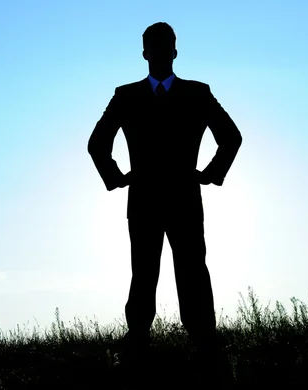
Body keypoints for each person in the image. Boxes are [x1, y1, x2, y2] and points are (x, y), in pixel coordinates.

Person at [87, 21, 242, 386]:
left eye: (164, 46)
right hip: (144, 199)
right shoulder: (125, 96)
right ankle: (139, 340)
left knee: (191, 269)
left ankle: (204, 341)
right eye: (153, 47)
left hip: (184, 197)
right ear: (145, 53)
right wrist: (116, 176)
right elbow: (97, 143)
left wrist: (210, 173)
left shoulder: (198, 93)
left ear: (174, 50)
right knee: (144, 271)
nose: (158, 52)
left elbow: (231, 137)